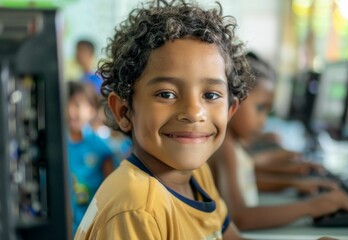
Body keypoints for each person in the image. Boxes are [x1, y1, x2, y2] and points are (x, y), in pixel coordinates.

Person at [74, 1, 253, 239]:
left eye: (210, 95)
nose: (193, 112)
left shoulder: (196, 175)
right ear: (124, 111)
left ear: (230, 111)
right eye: (166, 94)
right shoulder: (136, 208)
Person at [208, 52, 348, 230]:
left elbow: (246, 181)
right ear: (233, 100)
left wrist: (293, 183)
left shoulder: (233, 143)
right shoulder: (224, 147)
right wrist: (311, 207)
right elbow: (240, 218)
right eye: (260, 108)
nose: (263, 122)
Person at [66, 81, 115, 235]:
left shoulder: (102, 148)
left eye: (77, 105)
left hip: (90, 231)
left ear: (92, 109)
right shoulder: (52, 145)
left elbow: (111, 194)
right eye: (66, 104)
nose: (70, 111)